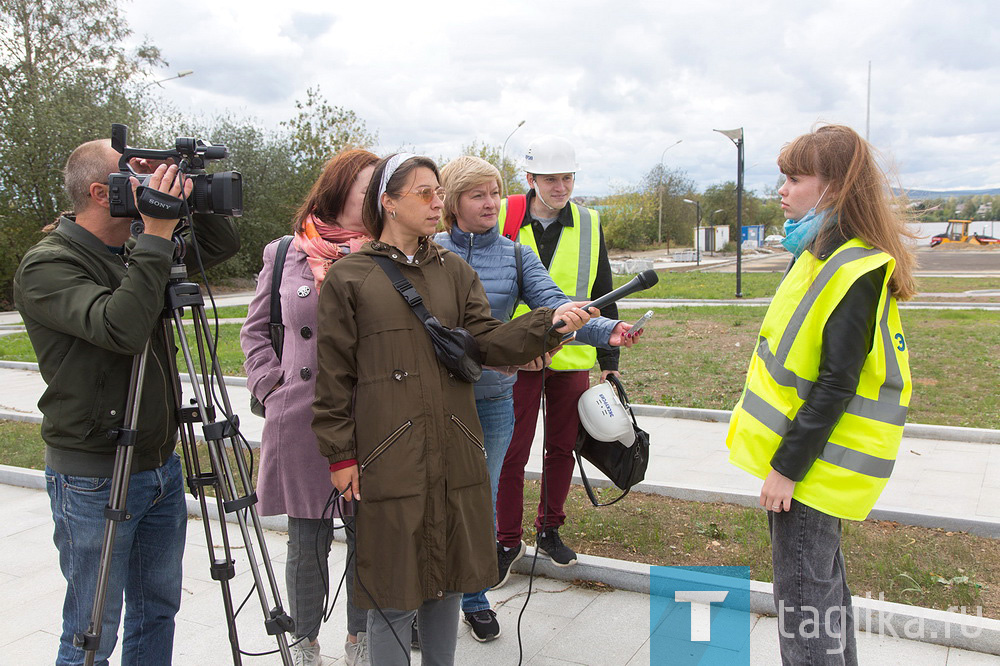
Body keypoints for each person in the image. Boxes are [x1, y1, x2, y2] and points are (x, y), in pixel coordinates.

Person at [312, 153, 596, 666]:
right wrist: (340, 456)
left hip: (456, 449)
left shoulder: (455, 271)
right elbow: (334, 378)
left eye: (438, 191)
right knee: (394, 590)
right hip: (388, 454)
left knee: (446, 582)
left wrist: (549, 323)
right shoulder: (350, 278)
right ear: (389, 203)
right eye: (424, 192)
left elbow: (486, 340)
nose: (436, 201)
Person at [13, 139, 240, 665]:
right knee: (93, 630)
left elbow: (219, 247)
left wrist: (180, 195)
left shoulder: (137, 249)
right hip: (94, 473)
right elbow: (122, 328)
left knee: (157, 611)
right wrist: (157, 233)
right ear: (101, 192)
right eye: (135, 176)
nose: (149, 184)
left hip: (160, 463)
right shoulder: (49, 265)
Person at [726, 124, 916, 665]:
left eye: (793, 178)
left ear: (831, 186)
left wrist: (786, 468)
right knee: (822, 598)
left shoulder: (852, 266)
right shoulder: (815, 254)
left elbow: (837, 383)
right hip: (809, 462)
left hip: (812, 468)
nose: (781, 190)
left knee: (806, 607)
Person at [434, 155, 639, 641]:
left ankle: (475, 597)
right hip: (438, 401)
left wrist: (609, 332)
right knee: (435, 502)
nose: (490, 203)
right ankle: (429, 605)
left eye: (494, 192)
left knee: (478, 500)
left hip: (493, 398)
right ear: (452, 202)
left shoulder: (514, 253)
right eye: (477, 195)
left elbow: (555, 304)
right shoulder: (430, 251)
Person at [241, 149, 377, 666]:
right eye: (367, 188)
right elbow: (256, 331)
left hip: (370, 417)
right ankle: (304, 641)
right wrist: (271, 389)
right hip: (301, 416)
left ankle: (360, 638)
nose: (375, 198)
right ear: (340, 188)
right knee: (307, 540)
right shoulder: (285, 252)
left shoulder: (388, 252)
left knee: (369, 535)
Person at [494, 135, 622, 577]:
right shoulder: (505, 214)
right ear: (530, 179)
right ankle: (506, 540)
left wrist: (610, 360)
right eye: (551, 179)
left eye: (567, 177)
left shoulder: (589, 222)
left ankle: (549, 529)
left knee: (561, 446)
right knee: (512, 450)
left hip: (572, 356)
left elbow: (605, 288)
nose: (561, 187)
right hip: (519, 356)